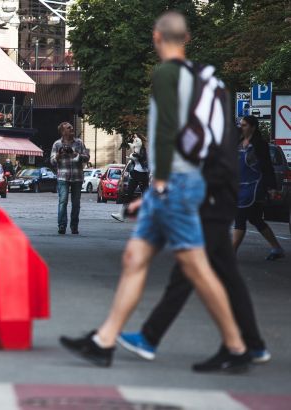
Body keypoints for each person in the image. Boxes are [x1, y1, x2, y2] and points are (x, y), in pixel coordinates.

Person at [59, 11, 250, 373]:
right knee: (135, 258)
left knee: (195, 266)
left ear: (157, 37)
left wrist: (158, 184)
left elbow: (164, 131)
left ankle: (237, 345)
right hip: (180, 182)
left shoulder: (166, 74)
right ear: (186, 39)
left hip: (175, 184)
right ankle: (104, 341)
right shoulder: (198, 80)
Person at [117, 113, 271, 366]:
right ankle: (253, 345)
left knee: (185, 276)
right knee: (229, 280)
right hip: (216, 210)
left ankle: (151, 337)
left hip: (209, 213)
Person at [233, 115, 285, 260]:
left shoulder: (259, 144)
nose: (241, 127)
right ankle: (277, 248)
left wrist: (272, 187)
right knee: (256, 219)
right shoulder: (239, 143)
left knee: (240, 217)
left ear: (253, 127)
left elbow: (267, 166)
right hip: (241, 186)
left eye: (244, 125)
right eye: (241, 125)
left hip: (254, 187)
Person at [50, 123, 89, 234]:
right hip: (63, 177)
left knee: (76, 203)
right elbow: (52, 161)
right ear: (63, 132)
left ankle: (74, 226)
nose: (72, 129)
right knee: (63, 201)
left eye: (72, 127)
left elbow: (87, 157)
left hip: (77, 177)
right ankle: (62, 226)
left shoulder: (79, 143)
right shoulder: (57, 144)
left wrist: (77, 154)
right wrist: (59, 154)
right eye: (68, 128)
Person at [112, 134, 150, 222]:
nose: (134, 139)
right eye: (133, 137)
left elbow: (141, 158)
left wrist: (135, 156)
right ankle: (121, 214)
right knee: (129, 194)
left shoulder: (143, 150)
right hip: (136, 174)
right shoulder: (136, 148)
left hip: (141, 174)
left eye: (135, 137)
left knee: (145, 195)